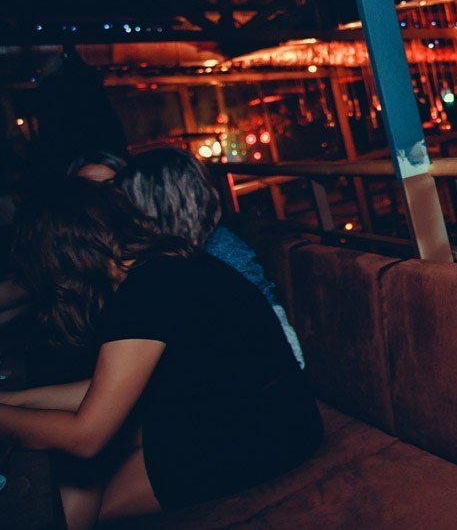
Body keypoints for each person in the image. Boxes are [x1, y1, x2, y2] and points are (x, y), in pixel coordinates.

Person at [0, 181, 321, 527]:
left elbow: (86, 437)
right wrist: (16, 400)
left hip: (268, 429)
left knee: (73, 507)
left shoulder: (145, 293)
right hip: (239, 409)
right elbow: (106, 390)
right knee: (74, 479)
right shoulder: (153, 268)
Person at [117, 147, 305, 368]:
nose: (122, 214)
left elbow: (284, 347)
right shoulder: (170, 259)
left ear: (154, 206)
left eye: (128, 203)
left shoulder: (221, 250)